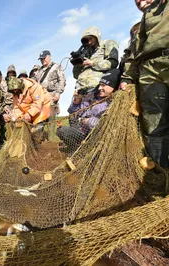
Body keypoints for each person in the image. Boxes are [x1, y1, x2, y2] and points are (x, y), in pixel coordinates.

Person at [120, 0, 168, 168]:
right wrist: (127, 78)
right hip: (149, 70)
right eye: (137, 2)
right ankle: (162, 172)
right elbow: (135, 51)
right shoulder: (144, 22)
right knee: (154, 123)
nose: (140, 3)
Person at [57, 69, 121, 153]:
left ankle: (84, 150)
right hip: (82, 131)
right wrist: (77, 101)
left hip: (96, 136)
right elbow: (73, 113)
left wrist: (88, 121)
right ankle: (75, 149)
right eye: (100, 85)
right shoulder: (93, 96)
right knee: (61, 131)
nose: (100, 88)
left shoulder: (114, 103)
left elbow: (107, 123)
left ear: (113, 87)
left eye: (104, 85)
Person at [72, 26, 119, 106]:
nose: (89, 42)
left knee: (95, 116)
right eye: (87, 40)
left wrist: (92, 63)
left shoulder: (107, 43)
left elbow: (113, 63)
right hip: (80, 91)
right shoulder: (86, 52)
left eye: (91, 38)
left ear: (96, 36)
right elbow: (76, 75)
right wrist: (78, 64)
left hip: (97, 90)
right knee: (76, 117)